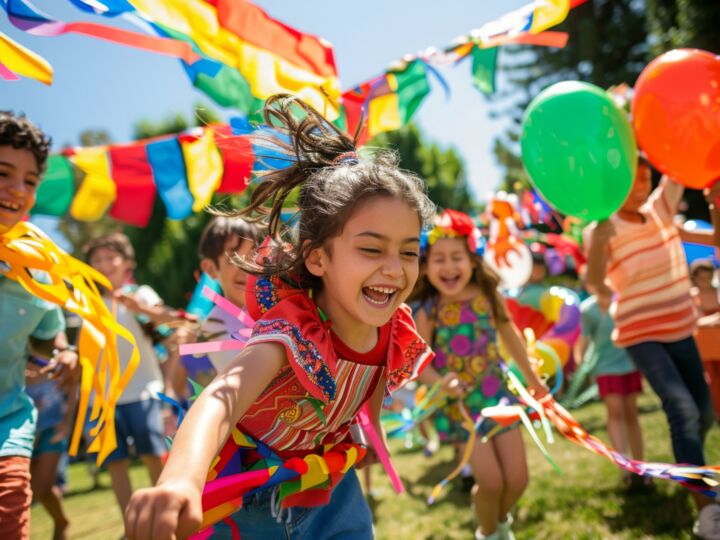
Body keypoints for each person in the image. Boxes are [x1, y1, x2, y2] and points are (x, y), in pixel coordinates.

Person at [124, 94, 436, 540]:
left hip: (328, 486)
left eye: (409, 251)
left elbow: (369, 387)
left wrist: (366, 440)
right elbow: (219, 400)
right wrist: (180, 479)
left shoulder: (392, 327)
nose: (394, 268)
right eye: (371, 248)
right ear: (317, 259)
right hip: (245, 496)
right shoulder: (291, 333)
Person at [586, 156, 719, 538]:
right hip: (641, 332)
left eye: (646, 177)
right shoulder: (606, 224)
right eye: (633, 179)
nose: (642, 185)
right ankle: (708, 510)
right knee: (681, 409)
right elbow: (596, 284)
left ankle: (693, 470)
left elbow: (678, 167)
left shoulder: (659, 207)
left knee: (703, 410)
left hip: (681, 325)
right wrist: (600, 240)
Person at [411, 209, 547, 540]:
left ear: (473, 260)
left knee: (517, 479)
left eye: (456, 257)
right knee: (491, 482)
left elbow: (511, 336)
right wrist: (439, 381)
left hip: (498, 396)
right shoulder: (429, 310)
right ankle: (488, 533)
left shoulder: (488, 296)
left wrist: (533, 379)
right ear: (425, 267)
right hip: (461, 407)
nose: (448, 266)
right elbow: (416, 363)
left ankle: (498, 523)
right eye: (438, 259)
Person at [0, 111, 79, 539]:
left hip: (6, 426)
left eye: (29, 181)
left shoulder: (36, 267)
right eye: (3, 173)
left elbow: (50, 333)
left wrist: (65, 351)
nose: (18, 189)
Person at [85, 232, 168, 521]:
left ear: (126, 262)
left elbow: (168, 318)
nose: (105, 264)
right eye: (97, 260)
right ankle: (130, 524)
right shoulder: (88, 304)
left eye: (111, 257)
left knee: (152, 454)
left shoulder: (141, 293)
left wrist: (138, 307)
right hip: (103, 400)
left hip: (144, 391)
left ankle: (166, 518)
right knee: (115, 463)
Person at [575, 286, 646, 490]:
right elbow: (583, 340)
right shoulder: (588, 309)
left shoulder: (623, 301)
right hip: (605, 368)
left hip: (629, 363)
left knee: (631, 413)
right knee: (615, 412)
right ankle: (624, 468)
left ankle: (640, 467)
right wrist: (582, 365)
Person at [25, 358, 77, 540]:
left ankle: (61, 522)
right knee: (31, 489)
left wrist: (67, 423)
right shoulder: (13, 365)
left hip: (53, 431)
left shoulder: (50, 360)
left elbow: (72, 386)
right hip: (24, 434)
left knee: (40, 487)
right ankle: (61, 520)